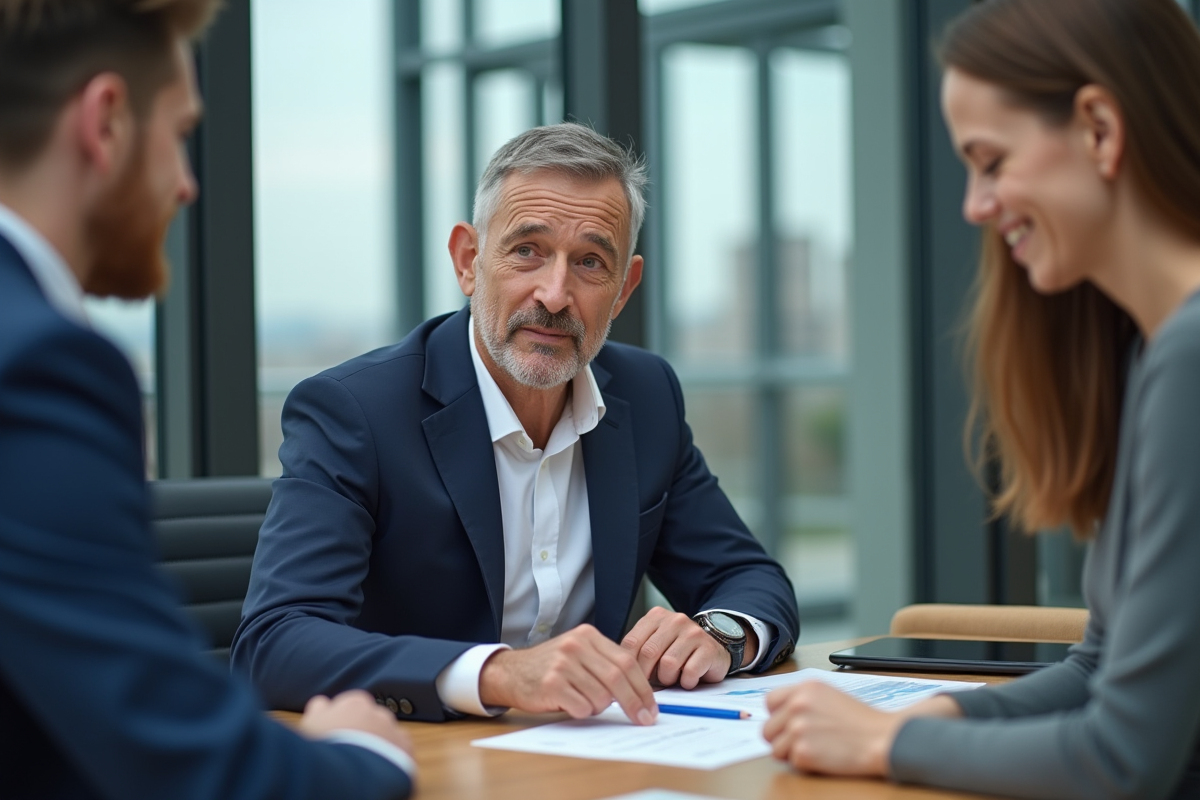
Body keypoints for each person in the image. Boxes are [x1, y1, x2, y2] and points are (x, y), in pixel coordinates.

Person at [763, 1, 1200, 798]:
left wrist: (885, 749)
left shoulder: (1191, 355)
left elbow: (1123, 761)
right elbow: (1100, 667)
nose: (974, 205)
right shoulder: (1153, 348)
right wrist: (936, 718)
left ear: (1100, 129)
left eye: (991, 161)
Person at [231, 122, 800, 726]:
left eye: (589, 262)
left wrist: (722, 634)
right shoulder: (356, 412)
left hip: (597, 759)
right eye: (527, 251)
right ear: (469, 261)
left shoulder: (646, 394)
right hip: (420, 760)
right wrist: (497, 673)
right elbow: (273, 642)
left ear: (624, 289)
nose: (555, 295)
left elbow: (747, 577)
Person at [0, 2, 416, 797]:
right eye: (181, 132)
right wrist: (366, 756)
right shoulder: (39, 365)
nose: (187, 185)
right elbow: (185, 760)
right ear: (107, 121)